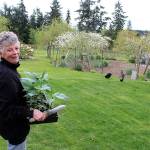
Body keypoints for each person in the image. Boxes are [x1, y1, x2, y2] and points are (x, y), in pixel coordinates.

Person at [0, 31, 47, 150]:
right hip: (14, 129)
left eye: (16, 48)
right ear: (1, 52)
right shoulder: (6, 75)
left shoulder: (8, 69)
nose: (15, 52)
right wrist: (31, 112)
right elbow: (6, 110)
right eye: (9, 50)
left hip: (14, 128)